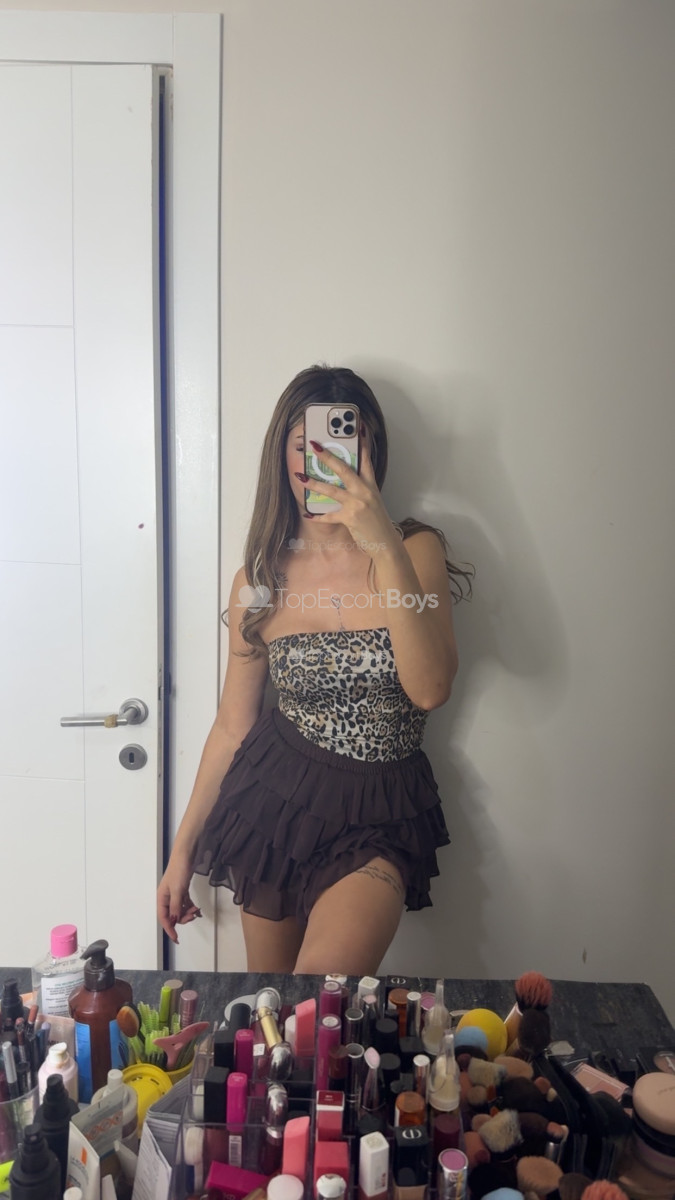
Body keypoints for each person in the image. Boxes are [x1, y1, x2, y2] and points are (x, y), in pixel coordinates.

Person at [157, 364, 473, 974]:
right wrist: (180, 854)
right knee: (274, 1011)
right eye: (304, 445)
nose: (320, 461)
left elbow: (432, 689)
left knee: (322, 998)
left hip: (378, 811)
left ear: (371, 453)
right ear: (281, 455)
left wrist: (378, 538)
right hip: (273, 804)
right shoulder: (258, 582)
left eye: (341, 444)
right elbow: (232, 724)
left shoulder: (414, 550)